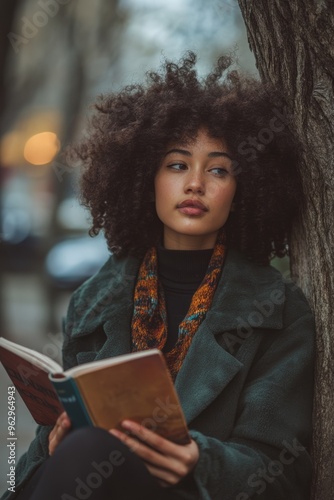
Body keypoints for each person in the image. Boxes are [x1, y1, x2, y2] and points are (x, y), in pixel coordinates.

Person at [2, 52, 315, 500]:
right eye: (177, 165)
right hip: (89, 481)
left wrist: (199, 462)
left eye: (219, 169)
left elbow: (284, 473)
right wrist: (51, 446)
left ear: (244, 189)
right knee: (83, 450)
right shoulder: (94, 301)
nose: (195, 184)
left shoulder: (280, 313)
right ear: (145, 177)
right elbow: (45, 452)